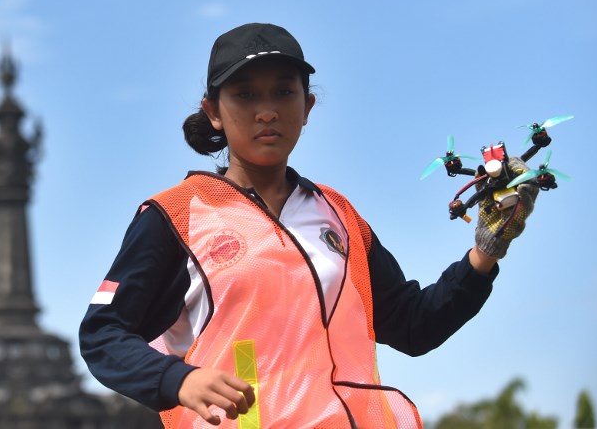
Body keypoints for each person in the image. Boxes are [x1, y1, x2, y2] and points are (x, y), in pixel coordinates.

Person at [79, 23, 538, 428]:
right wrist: (179, 379)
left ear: (308, 106)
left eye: (284, 91)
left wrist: (485, 253)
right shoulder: (175, 216)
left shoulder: (337, 214)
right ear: (213, 110)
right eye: (245, 94)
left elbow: (413, 326)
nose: (267, 111)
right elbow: (103, 335)